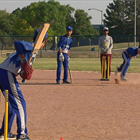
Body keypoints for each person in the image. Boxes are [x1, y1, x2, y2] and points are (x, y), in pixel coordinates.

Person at [0, 29, 47, 140]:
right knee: (21, 104)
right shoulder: (32, 47)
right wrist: (22, 61)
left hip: (4, 72)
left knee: (12, 104)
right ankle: (22, 135)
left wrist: (24, 73)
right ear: (44, 41)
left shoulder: (33, 51)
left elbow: (20, 68)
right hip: (6, 73)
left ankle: (4, 131)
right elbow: (17, 43)